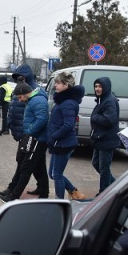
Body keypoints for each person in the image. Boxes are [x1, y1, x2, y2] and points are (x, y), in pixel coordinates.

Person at [0, 81, 49, 202]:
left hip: (36, 139)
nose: (20, 100)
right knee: (39, 167)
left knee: (26, 167)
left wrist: (30, 131)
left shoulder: (37, 101)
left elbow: (42, 119)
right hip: (36, 138)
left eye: (20, 97)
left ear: (25, 93)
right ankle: (43, 192)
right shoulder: (33, 100)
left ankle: (14, 196)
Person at [47, 72, 87, 200]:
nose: (55, 86)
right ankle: (73, 191)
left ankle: (59, 202)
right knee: (52, 174)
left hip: (64, 143)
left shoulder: (68, 103)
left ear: (66, 85)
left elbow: (69, 124)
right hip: (58, 142)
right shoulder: (63, 100)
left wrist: (54, 136)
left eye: (58, 83)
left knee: (57, 174)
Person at [90, 77, 120, 194]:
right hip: (100, 138)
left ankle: (104, 192)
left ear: (105, 87)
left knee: (104, 168)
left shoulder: (109, 101)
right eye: (96, 86)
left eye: (100, 86)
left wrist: (95, 117)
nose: (97, 89)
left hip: (107, 139)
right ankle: (114, 184)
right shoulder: (102, 99)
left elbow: (110, 120)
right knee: (96, 163)